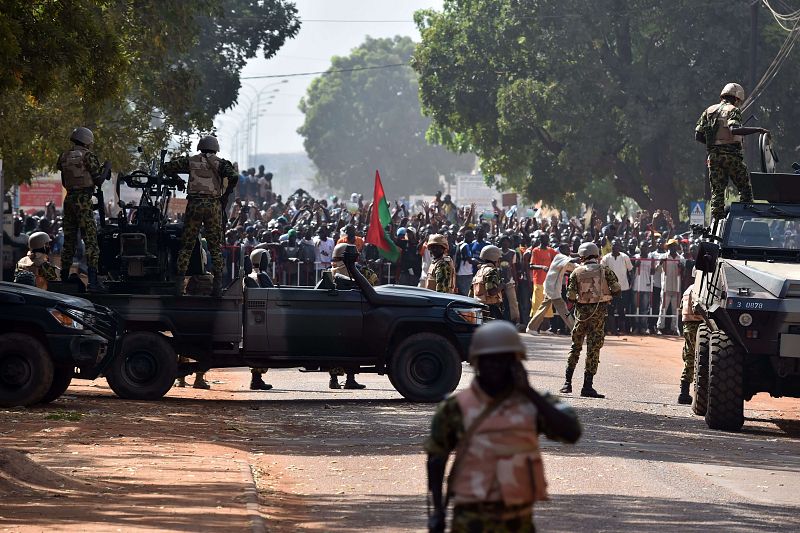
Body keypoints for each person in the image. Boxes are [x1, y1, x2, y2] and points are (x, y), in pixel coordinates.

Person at [425, 321, 582, 533]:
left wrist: (530, 393)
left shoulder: (533, 404)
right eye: (490, 360)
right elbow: (436, 459)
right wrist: (437, 511)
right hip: (471, 521)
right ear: (477, 362)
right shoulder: (456, 408)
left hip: (519, 521)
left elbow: (571, 432)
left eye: (504, 359)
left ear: (516, 362)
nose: (496, 366)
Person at [163, 135, 238, 297]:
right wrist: (225, 195)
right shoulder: (221, 163)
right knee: (214, 245)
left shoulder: (191, 161)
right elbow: (234, 177)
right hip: (213, 206)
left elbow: (166, 168)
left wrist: (178, 181)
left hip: (194, 205)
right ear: (215, 148)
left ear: (200, 147)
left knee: (187, 245)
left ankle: (179, 286)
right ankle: (217, 287)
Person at [695, 83, 769, 220]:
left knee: (717, 192)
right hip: (731, 157)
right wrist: (758, 130)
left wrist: (714, 144)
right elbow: (734, 129)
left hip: (713, 157)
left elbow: (698, 135)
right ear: (736, 99)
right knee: (745, 188)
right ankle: (744, 217)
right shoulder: (733, 110)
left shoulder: (709, 111)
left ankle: (716, 222)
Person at [560, 242, 620, 398]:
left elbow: (570, 297)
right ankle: (587, 386)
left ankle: (567, 383)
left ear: (581, 257)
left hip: (581, 315)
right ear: (597, 255)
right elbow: (617, 289)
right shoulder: (605, 271)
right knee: (593, 350)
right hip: (598, 315)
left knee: (576, 347)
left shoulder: (576, 272)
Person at [56, 127, 105, 292]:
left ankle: (63, 279)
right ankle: (93, 282)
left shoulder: (63, 156)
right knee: (91, 241)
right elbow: (98, 181)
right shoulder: (88, 156)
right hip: (83, 200)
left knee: (69, 241)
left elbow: (64, 181)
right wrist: (107, 168)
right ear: (87, 140)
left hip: (69, 199)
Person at [327, 243, 373, 390]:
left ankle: (333, 380)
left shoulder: (330, 271)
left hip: (334, 315)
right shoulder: (356, 270)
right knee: (353, 347)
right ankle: (350, 379)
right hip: (352, 312)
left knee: (334, 349)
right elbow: (373, 279)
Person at [527, 243, 577, 334]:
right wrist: (581, 256)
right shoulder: (560, 257)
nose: (569, 250)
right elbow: (573, 260)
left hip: (552, 288)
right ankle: (575, 330)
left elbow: (574, 267)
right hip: (552, 289)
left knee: (544, 309)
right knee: (563, 310)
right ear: (561, 249)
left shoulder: (563, 260)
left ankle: (531, 328)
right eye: (567, 249)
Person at [245, 249, 274, 391]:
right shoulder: (261, 276)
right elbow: (271, 294)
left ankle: (256, 379)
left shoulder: (251, 275)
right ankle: (256, 380)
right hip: (261, 318)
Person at [600, 240, 633, 335]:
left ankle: (621, 329)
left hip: (623, 288)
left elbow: (630, 270)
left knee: (621, 310)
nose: (615, 247)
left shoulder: (625, 257)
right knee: (610, 309)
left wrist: (631, 283)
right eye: (614, 246)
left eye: (617, 246)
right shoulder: (606, 258)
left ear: (620, 247)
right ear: (611, 247)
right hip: (610, 289)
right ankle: (612, 330)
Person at [678, 284, 703, 405]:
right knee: (701, 359)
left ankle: (684, 393)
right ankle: (701, 394)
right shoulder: (700, 288)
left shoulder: (688, 289)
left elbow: (681, 308)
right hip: (699, 325)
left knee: (689, 358)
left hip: (687, 326)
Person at [529, 233, 558, 332]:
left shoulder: (550, 250)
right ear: (541, 240)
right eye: (545, 239)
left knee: (547, 306)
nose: (547, 240)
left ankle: (544, 329)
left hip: (548, 283)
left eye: (547, 238)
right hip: (538, 282)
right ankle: (533, 328)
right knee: (537, 305)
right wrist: (542, 267)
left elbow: (559, 256)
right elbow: (531, 265)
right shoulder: (536, 251)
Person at [656, 239, 685, 335]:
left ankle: (674, 328)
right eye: (671, 246)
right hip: (666, 287)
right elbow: (656, 270)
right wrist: (660, 263)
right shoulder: (663, 257)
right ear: (668, 247)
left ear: (676, 247)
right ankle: (660, 327)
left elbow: (684, 272)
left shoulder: (680, 258)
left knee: (675, 309)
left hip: (676, 287)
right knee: (663, 308)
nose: (672, 247)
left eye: (674, 246)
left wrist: (682, 267)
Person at [470, 245, 503, 319]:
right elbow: (491, 292)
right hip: (491, 309)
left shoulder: (479, 271)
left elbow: (471, 292)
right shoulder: (492, 271)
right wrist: (501, 286)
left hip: (479, 307)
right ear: (495, 258)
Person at [498, 236, 520, 325]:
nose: (505, 243)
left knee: (513, 301)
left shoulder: (513, 253)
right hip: (498, 279)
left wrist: (515, 280)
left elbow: (513, 267)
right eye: (503, 241)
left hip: (509, 280)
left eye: (507, 242)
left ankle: (515, 320)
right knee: (498, 301)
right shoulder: (498, 251)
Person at [454, 230, 474, 296]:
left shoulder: (459, 244)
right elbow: (469, 260)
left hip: (459, 273)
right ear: (466, 236)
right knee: (466, 295)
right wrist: (480, 263)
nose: (473, 239)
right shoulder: (465, 245)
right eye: (471, 237)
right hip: (466, 274)